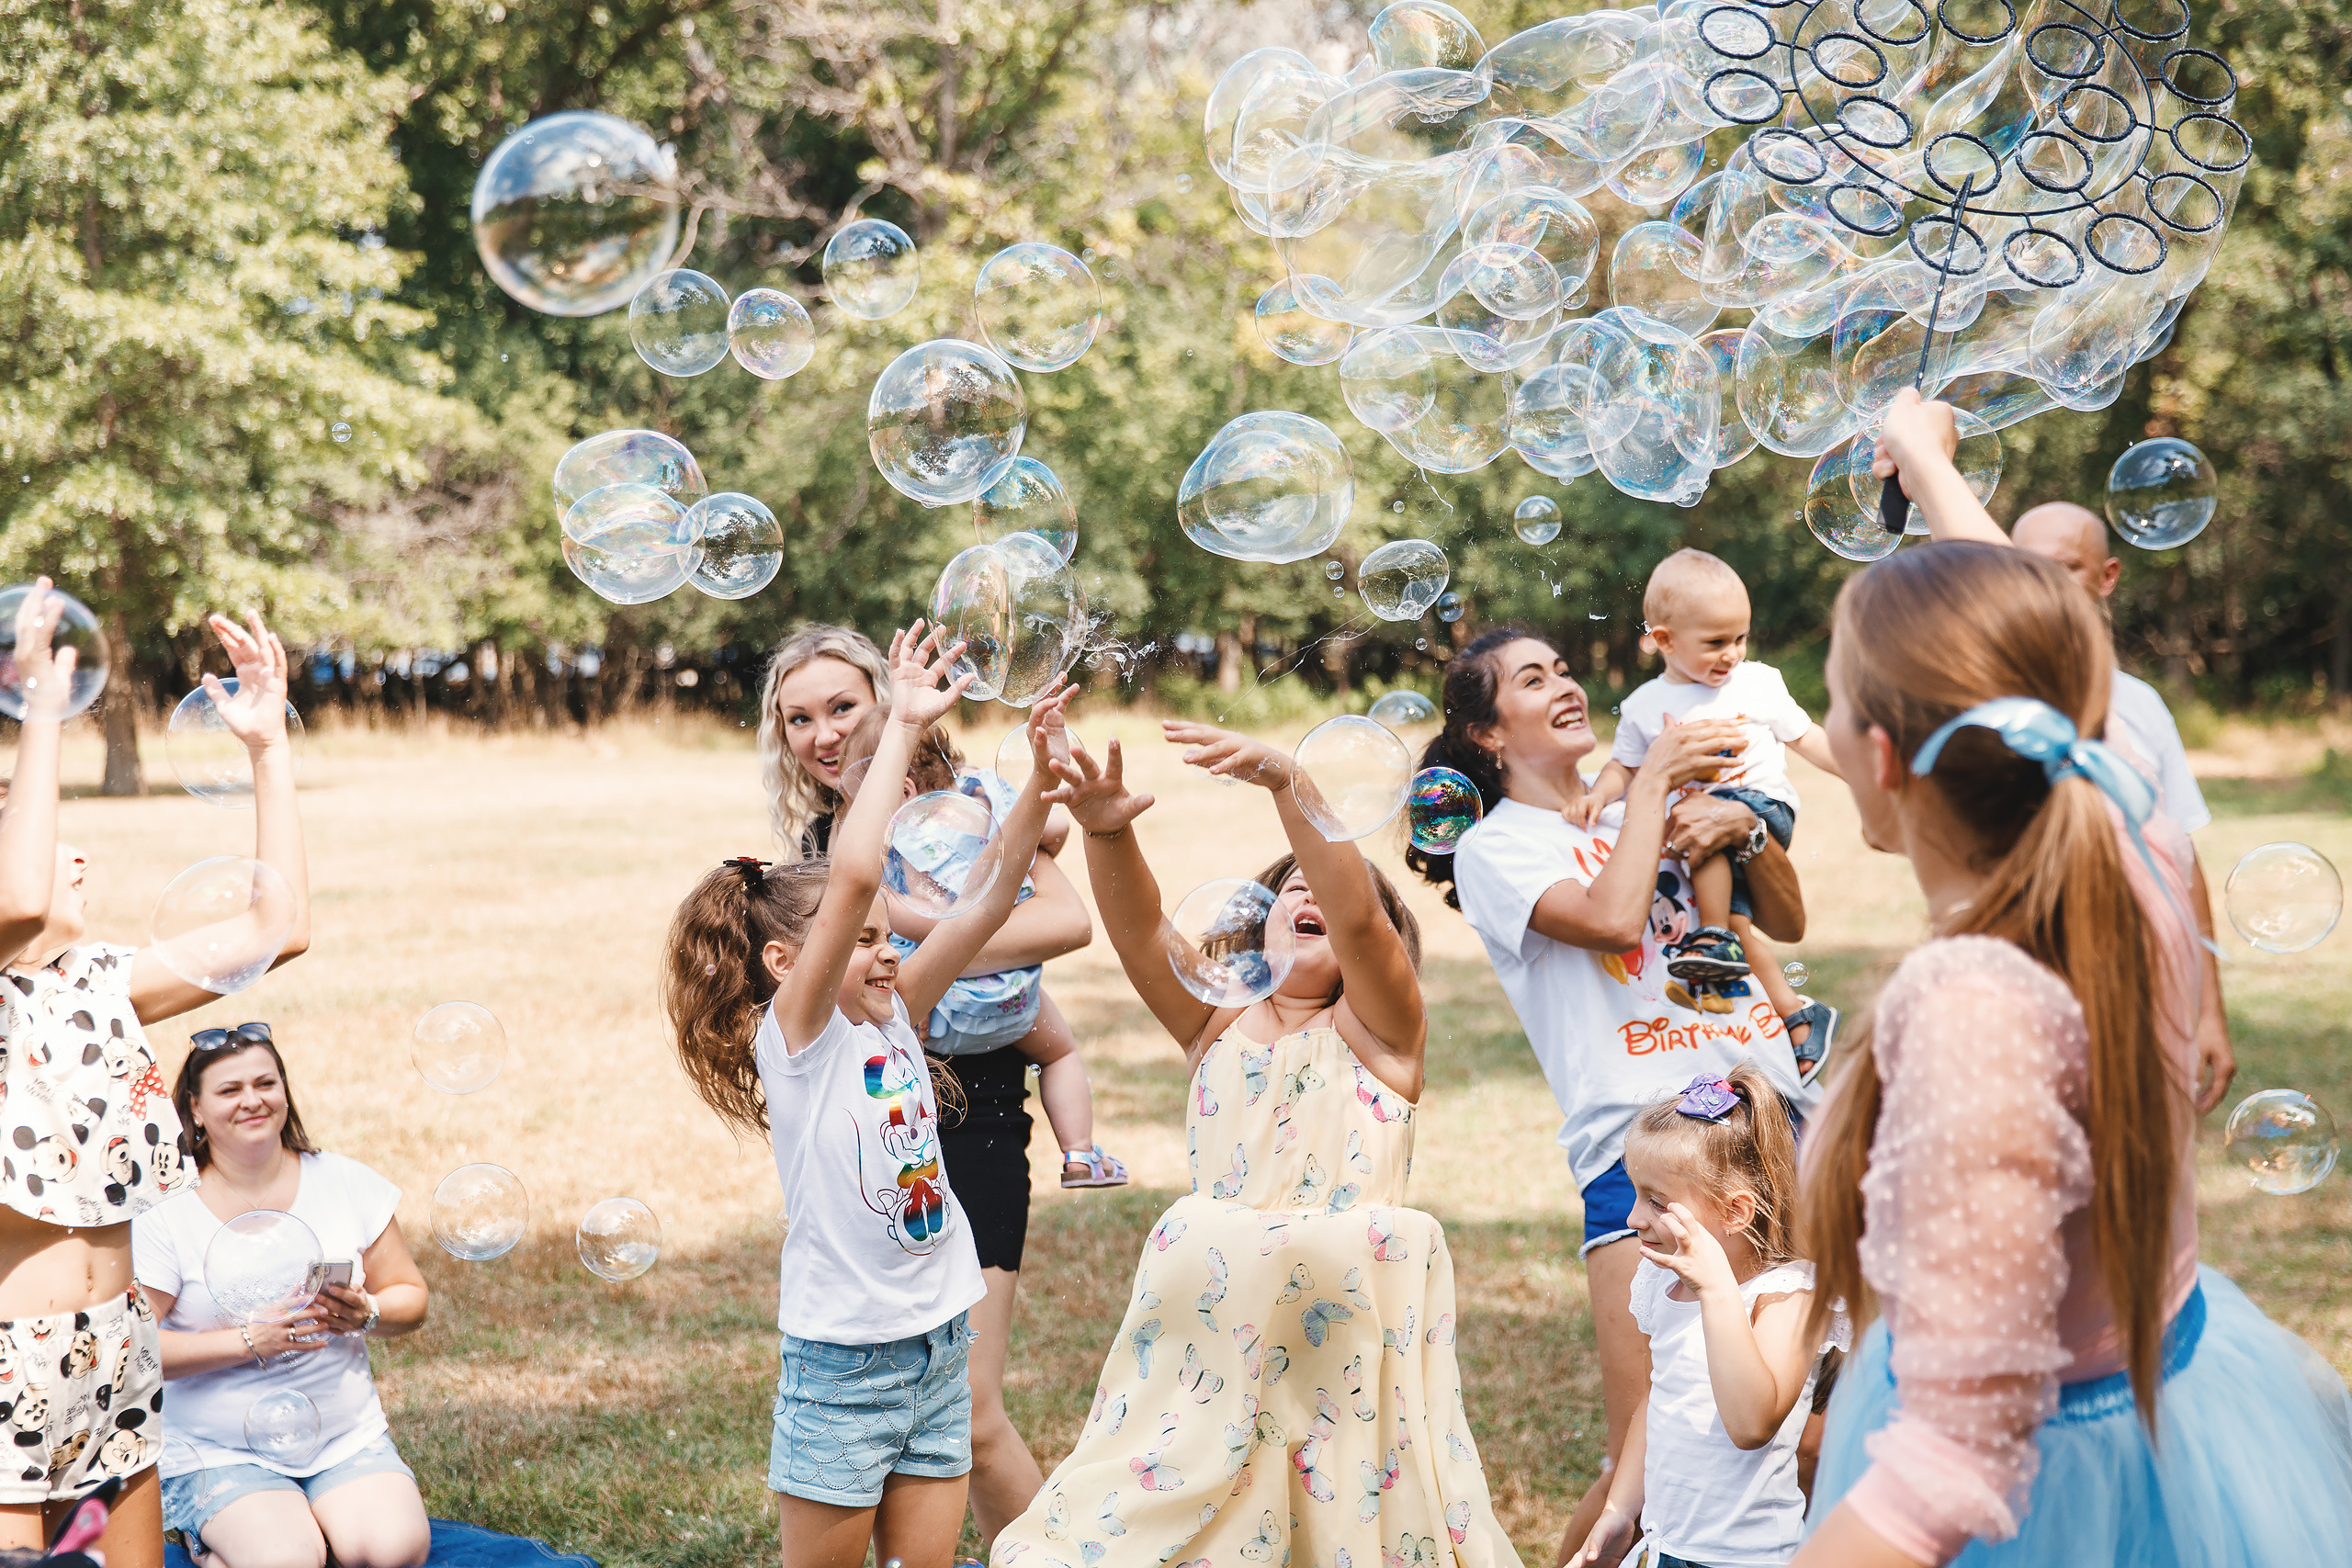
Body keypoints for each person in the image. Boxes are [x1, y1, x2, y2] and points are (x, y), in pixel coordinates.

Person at [1788, 410, 2352, 1564]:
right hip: (2171, 1413)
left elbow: (1953, 1461)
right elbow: (2034, 651)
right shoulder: (2120, 809)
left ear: (1883, 759)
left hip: (2046, 1504)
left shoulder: (1974, 1007)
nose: (1828, 728)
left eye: (1835, 703)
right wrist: (1928, 460)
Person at [989, 719, 1521, 1568]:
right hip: (1217, 1342)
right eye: (1287, 889)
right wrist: (1106, 828)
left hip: (1340, 1342)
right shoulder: (1215, 1028)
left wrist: (1291, 787)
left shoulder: (1381, 1034)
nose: (1308, 892)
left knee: (1342, 1500)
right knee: (1204, 1500)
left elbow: (1358, 921)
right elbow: (1138, 931)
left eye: (1326, 883)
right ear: (1255, 930)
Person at [1404, 627, 1816, 1566]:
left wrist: (1740, 826)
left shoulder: (1640, 802)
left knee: (1802, 1414)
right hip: (1651, 1157)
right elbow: (1609, 918)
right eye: (1529, 678)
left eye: (1561, 668)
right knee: (1654, 1434)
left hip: (1774, 1120)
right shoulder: (1498, 848)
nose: (1563, 685)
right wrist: (1657, 779)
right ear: (1485, 735)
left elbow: (1785, 919)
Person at [667, 625, 1062, 1568]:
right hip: (845, 1364)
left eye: (892, 934)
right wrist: (904, 724)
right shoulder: (798, 1041)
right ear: (785, 964)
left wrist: (1043, 786)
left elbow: (982, 902)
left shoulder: (895, 1015)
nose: (889, 951)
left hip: (935, 1345)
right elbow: (852, 872)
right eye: (866, 937)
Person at [757, 622, 1093, 1544]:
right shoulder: (807, 910)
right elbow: (882, 890)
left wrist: (1032, 794)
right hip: (859, 1277)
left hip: (962, 1177)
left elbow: (1026, 911)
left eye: (841, 708)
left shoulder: (953, 825)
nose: (822, 735)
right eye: (798, 719)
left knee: (968, 1432)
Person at [0, 595, 308, 1566]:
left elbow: (277, 928)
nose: (76, 853)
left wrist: (267, 747)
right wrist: (41, 711)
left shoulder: (101, 984)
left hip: (118, 1343)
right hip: (11, 1361)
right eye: (49, 832)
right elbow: (18, 897)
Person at [134, 1024, 431, 1568]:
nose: (253, 1100)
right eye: (229, 1090)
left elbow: (411, 1296)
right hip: (218, 1449)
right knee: (288, 1561)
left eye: (265, 1083)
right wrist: (251, 1342)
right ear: (195, 1110)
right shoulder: (166, 1214)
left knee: (394, 1552)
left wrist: (369, 1313)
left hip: (343, 1437)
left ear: (284, 1092)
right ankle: (222, 1540)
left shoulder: (344, 1181)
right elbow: (136, 1350)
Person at [1574, 549, 1843, 1071]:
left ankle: (1710, 937)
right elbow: (1623, 769)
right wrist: (1597, 795)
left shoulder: (1758, 683)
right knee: (1743, 923)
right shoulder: (1643, 707)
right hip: (1702, 839)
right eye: (1717, 642)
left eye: (1740, 638)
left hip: (1761, 812)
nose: (1733, 654)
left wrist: (1864, 773)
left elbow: (1807, 737)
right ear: (1666, 640)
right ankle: (1800, 1018)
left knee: (1703, 814)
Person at [1569, 1064, 1847, 1568]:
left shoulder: (1787, 1296)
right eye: (1635, 1194)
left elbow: (1751, 1424)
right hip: (1666, 1546)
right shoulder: (1666, 1284)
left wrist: (1717, 1287)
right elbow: (1659, 1400)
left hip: (1747, 1557)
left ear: (1736, 1212)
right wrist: (1620, 1508)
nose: (1633, 1219)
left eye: (1656, 1201)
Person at [2007, 500, 2234, 1112]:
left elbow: (2182, 859)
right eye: (2027, 568)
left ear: (2107, 576)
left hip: (2135, 991)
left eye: (2066, 567)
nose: (2047, 586)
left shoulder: (2142, 706)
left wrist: (2208, 1009)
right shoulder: (1990, 703)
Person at [835, 712, 1123, 1187]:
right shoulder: (985, 800)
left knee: (899, 1064)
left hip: (939, 1005)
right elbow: (1053, 829)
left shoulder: (890, 846)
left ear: (902, 791)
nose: (852, 813)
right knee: (1058, 1054)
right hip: (1014, 998)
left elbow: (908, 919)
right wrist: (1025, 827)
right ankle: (1079, 1153)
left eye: (855, 800)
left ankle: (899, 1165)